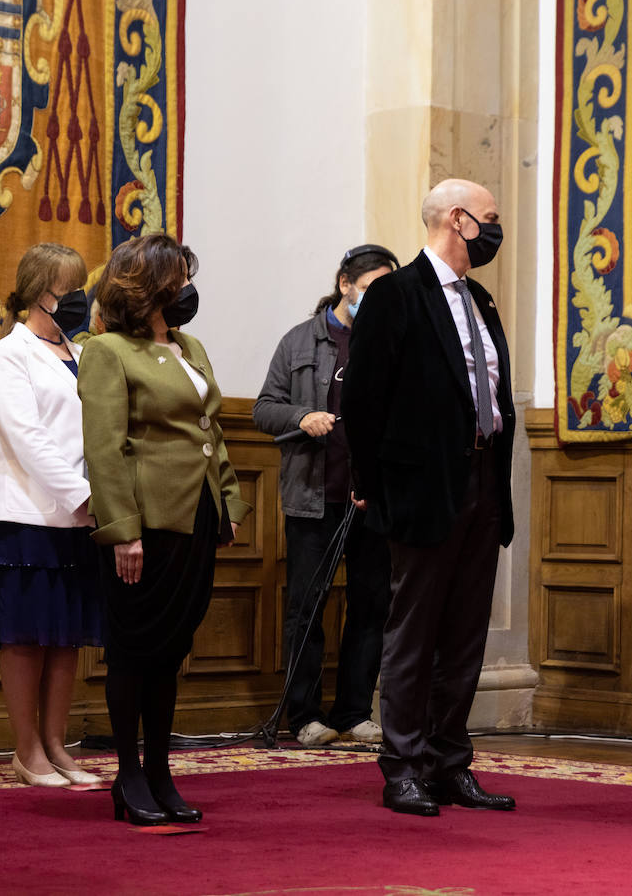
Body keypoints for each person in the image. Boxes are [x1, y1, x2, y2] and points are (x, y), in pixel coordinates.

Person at [342, 178, 517, 817]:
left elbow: (492, 395)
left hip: (481, 483)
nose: (497, 230)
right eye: (491, 218)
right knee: (414, 632)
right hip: (421, 490)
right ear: (458, 219)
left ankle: (449, 762)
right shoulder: (396, 294)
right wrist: (372, 488)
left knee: (465, 634)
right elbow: (362, 401)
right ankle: (403, 766)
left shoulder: (483, 302)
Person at [78, 233, 251, 826]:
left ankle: (159, 772)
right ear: (146, 287)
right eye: (177, 280)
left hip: (195, 515)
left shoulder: (189, 345)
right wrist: (122, 530)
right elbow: (105, 448)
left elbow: (211, 431)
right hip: (146, 522)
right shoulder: (108, 351)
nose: (187, 290)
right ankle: (128, 776)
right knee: (135, 648)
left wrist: (228, 502)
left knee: (171, 648)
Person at [253, 244, 397, 748]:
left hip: (370, 500)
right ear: (345, 284)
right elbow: (263, 409)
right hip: (313, 498)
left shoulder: (390, 342)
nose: (377, 298)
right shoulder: (299, 342)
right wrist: (301, 417)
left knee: (370, 607)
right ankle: (305, 717)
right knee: (306, 608)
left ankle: (356, 711)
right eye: (370, 287)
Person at [0, 243, 104, 789]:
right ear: (39, 293)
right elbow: (25, 438)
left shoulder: (80, 353)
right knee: (26, 636)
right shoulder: (10, 354)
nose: (79, 299)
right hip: (27, 513)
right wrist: (82, 494)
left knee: (65, 635)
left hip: (80, 513)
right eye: (69, 289)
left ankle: (57, 743)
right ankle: (26, 750)